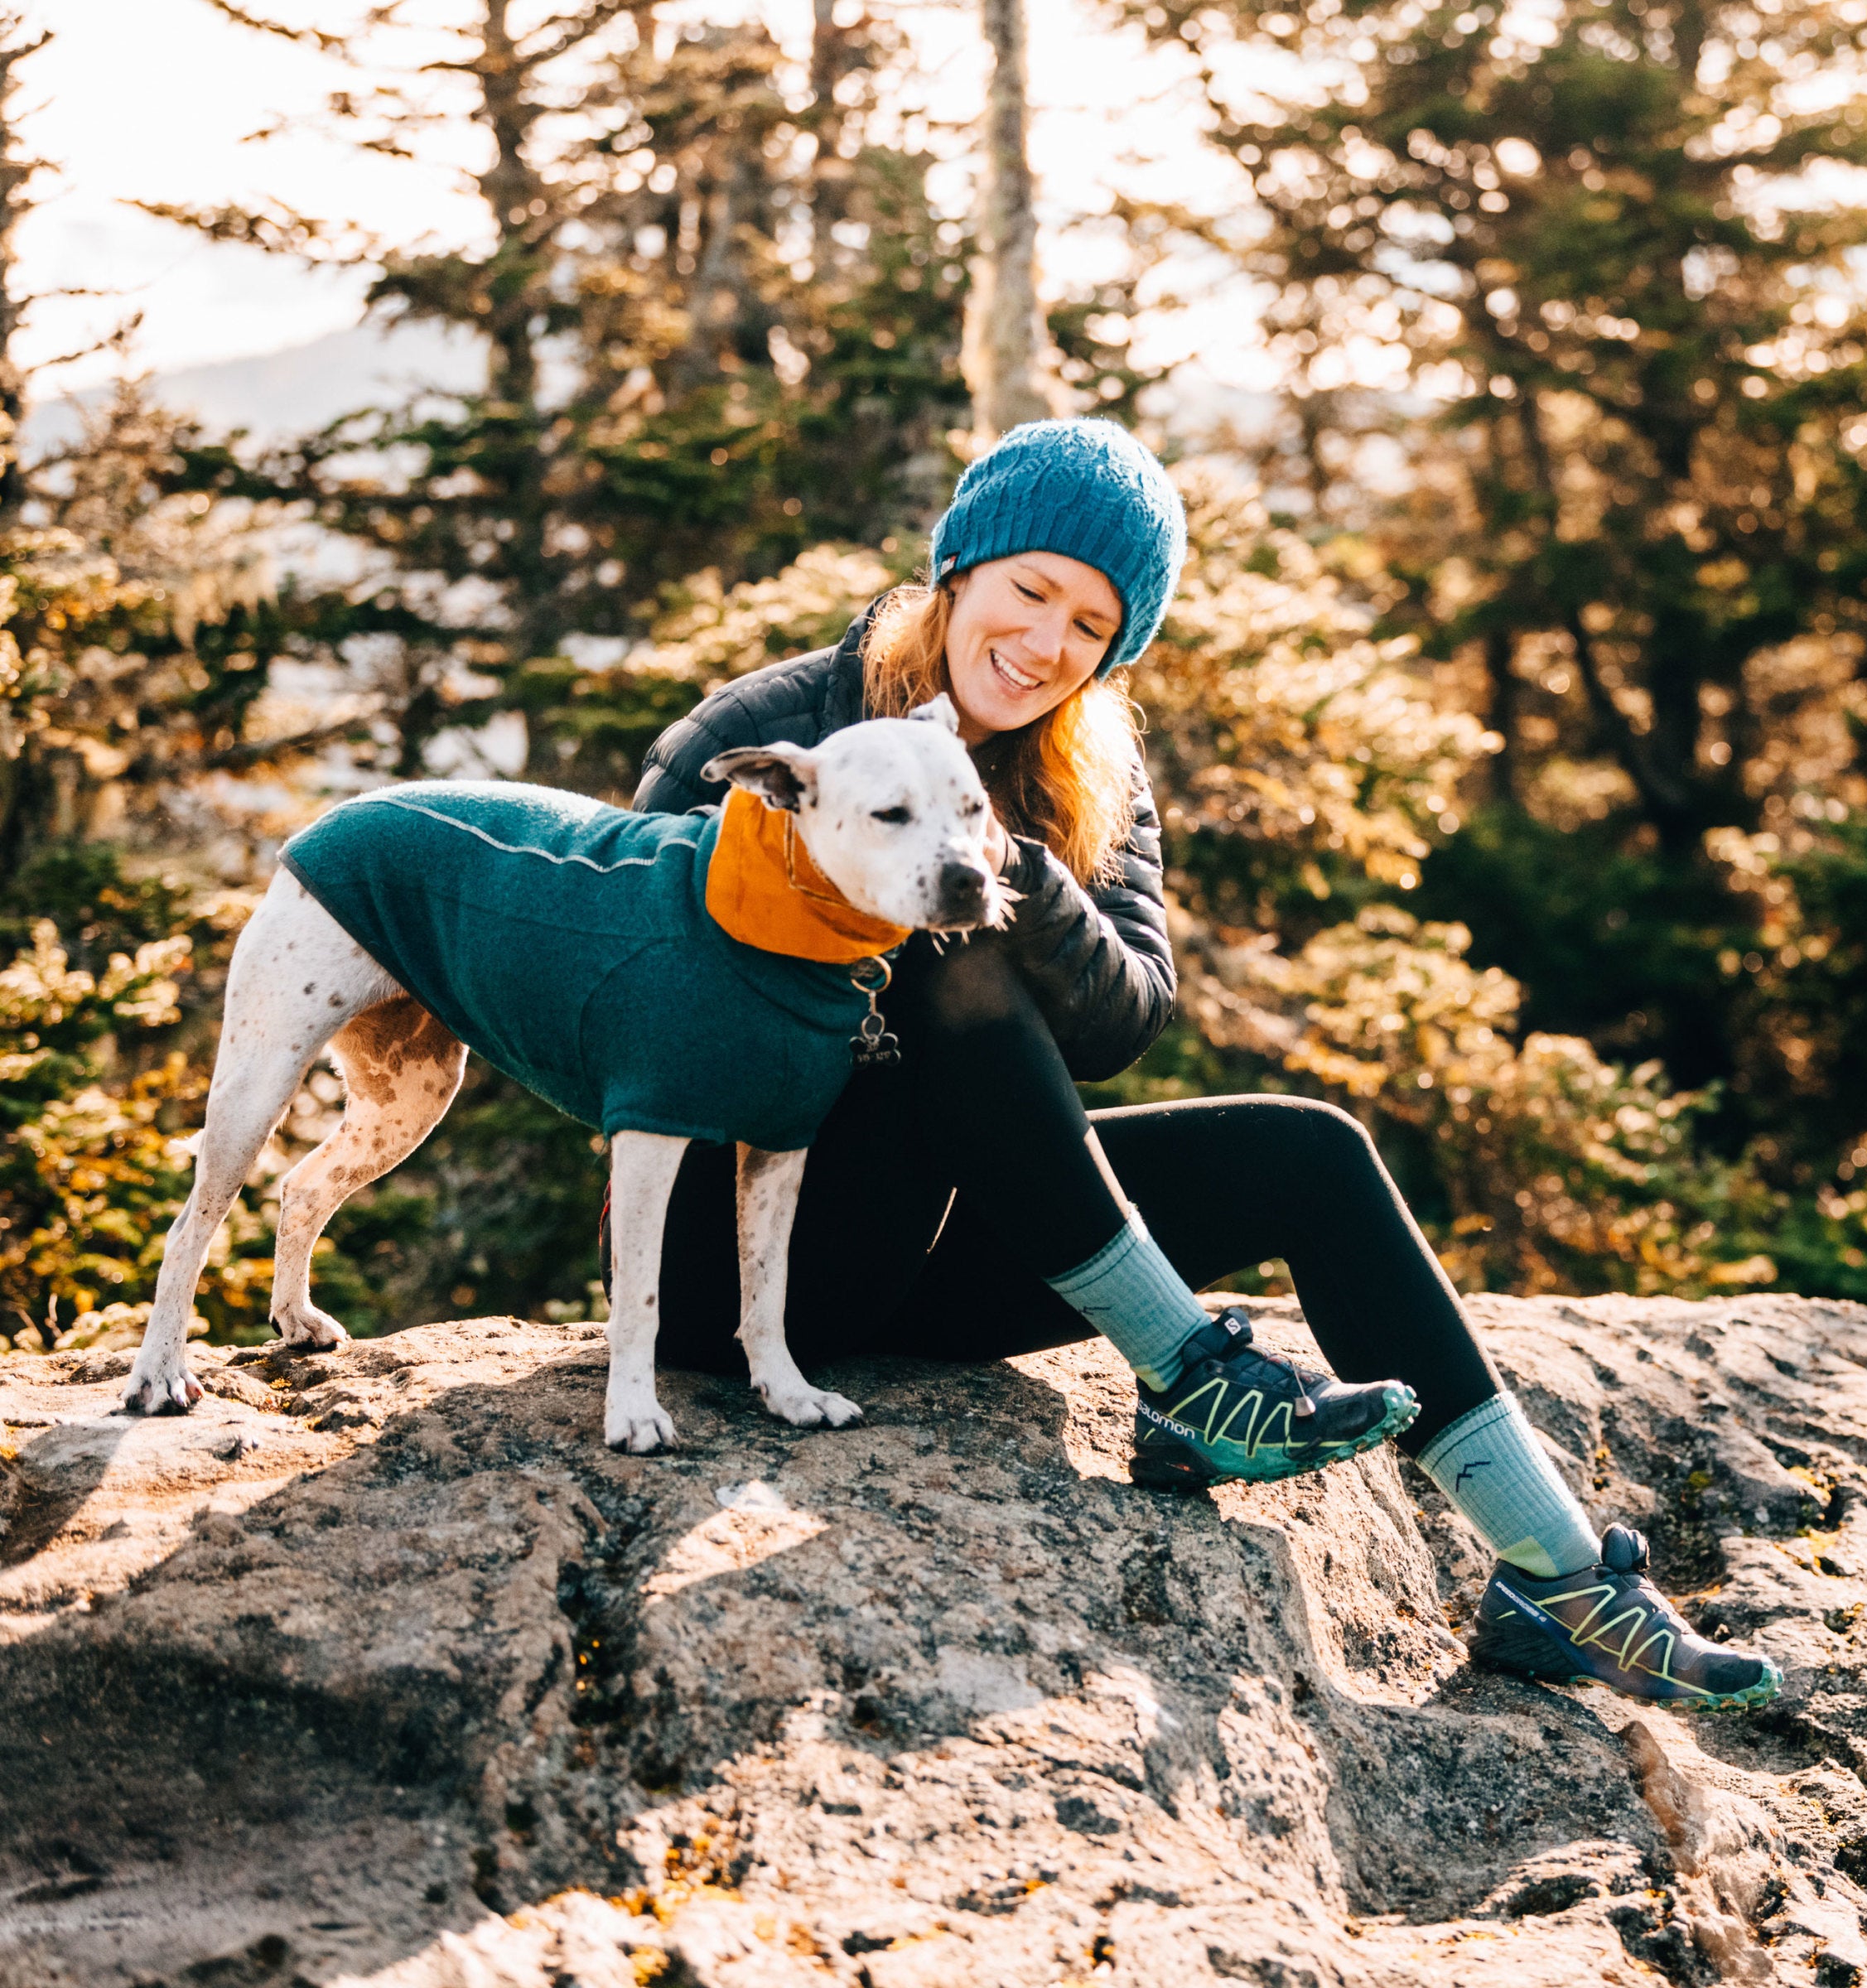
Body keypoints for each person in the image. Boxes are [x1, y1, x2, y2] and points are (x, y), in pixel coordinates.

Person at [622, 418, 1782, 1711]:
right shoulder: (776, 727)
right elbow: (623, 978)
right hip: (745, 1265)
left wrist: (1027, 879)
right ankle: (1191, 1373)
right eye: (1030, 590)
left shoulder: (1091, 773)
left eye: (1092, 625)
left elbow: (1123, 1023)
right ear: (958, 570)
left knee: (1309, 1154)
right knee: (950, 949)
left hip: (932, 1260)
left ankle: (1557, 1581)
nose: (1046, 643)